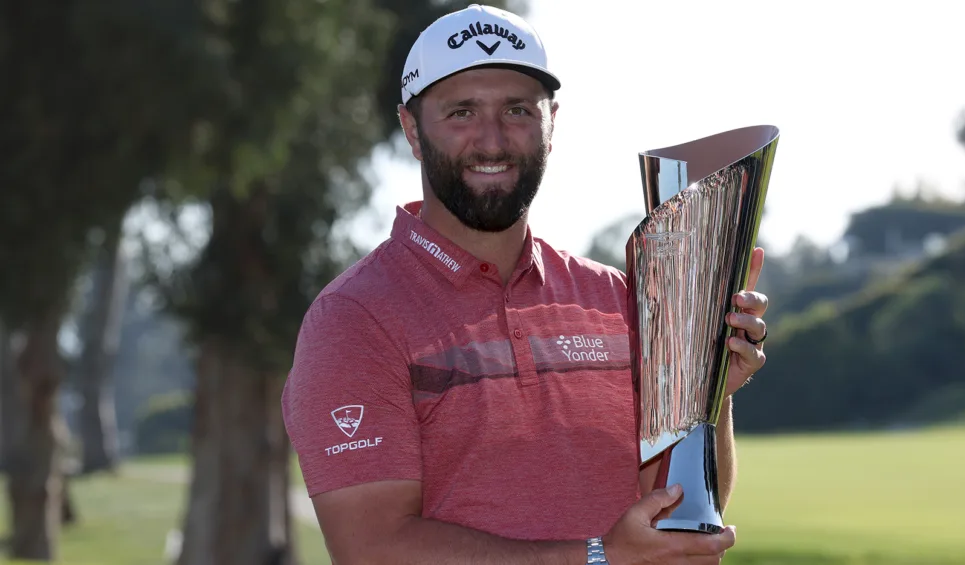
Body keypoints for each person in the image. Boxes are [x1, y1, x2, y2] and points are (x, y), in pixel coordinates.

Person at [281, 4, 769, 564]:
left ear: (551, 121)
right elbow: (373, 548)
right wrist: (596, 557)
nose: (492, 140)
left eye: (516, 110)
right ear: (412, 131)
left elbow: (676, 519)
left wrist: (705, 395)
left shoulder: (621, 300)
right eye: (461, 112)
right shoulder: (354, 319)